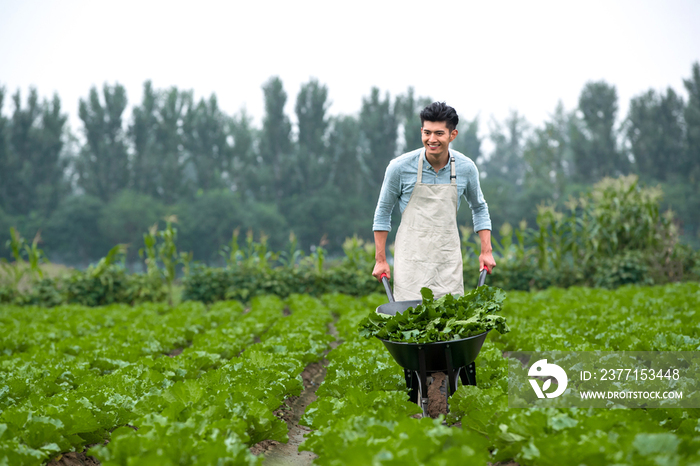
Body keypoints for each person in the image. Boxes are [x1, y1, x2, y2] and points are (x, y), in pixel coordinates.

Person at [371, 102, 495, 301]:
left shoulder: (466, 168)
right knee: (411, 324)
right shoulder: (399, 167)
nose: (431, 139)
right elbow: (383, 211)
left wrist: (486, 251)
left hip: (447, 262)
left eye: (439, 133)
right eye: (427, 133)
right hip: (410, 262)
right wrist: (380, 260)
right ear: (421, 131)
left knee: (449, 326)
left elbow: (479, 208)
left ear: (452, 135)